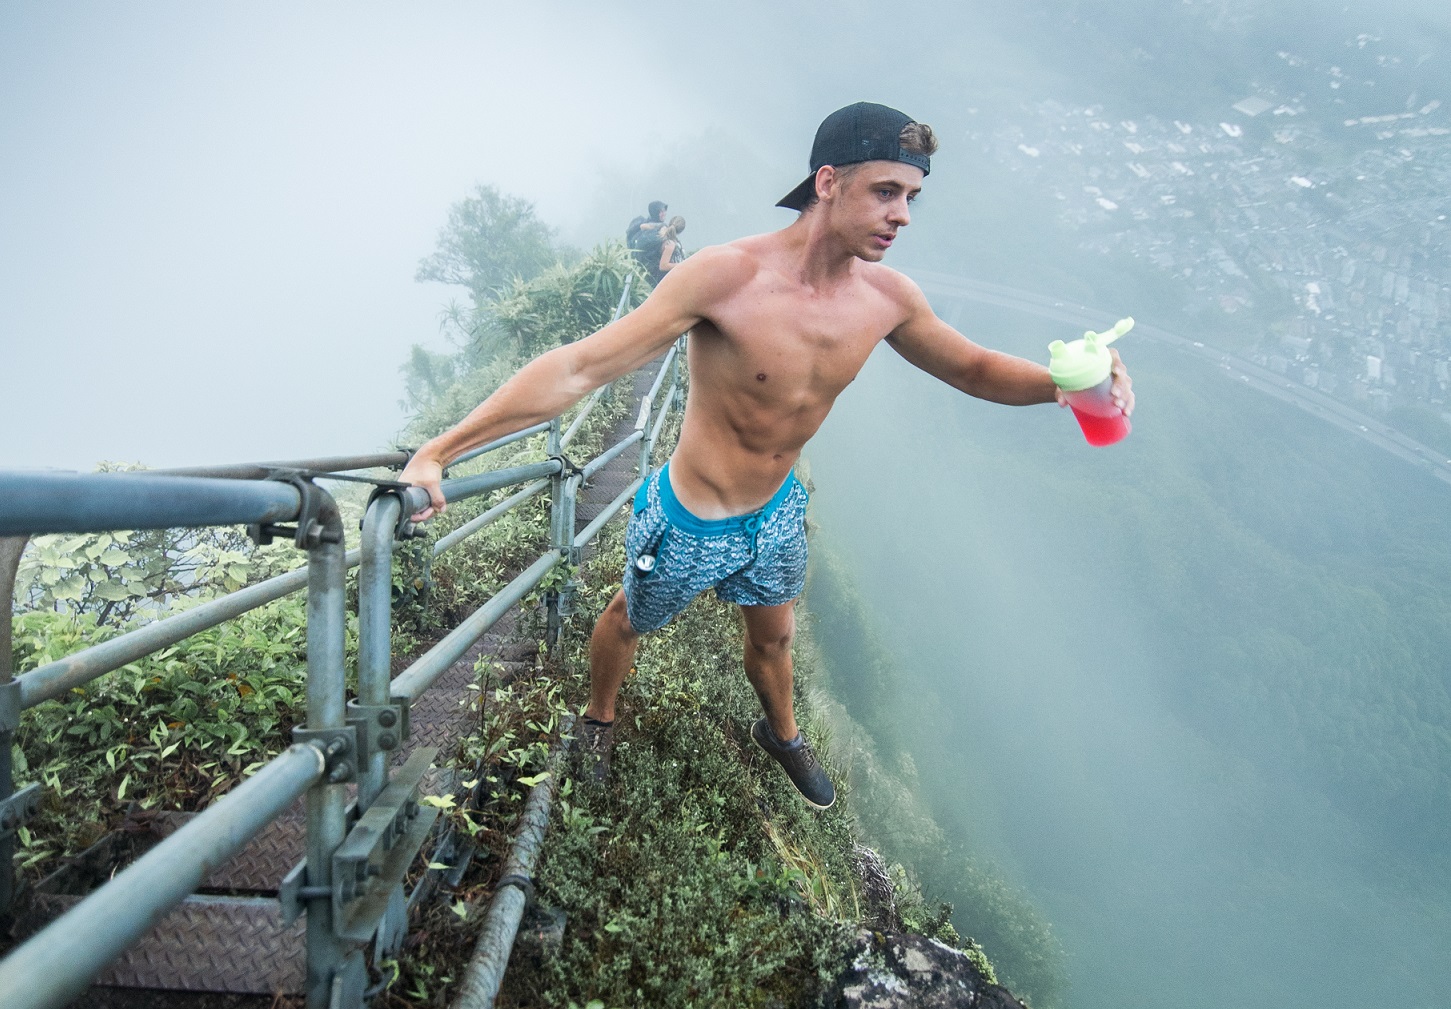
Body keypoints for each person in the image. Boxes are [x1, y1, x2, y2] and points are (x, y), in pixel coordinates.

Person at [399, 102, 1134, 810]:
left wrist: (1067, 385)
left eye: (910, 197)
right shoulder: (726, 278)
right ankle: (597, 716)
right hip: (691, 515)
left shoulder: (888, 298)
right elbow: (578, 369)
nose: (902, 215)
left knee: (775, 637)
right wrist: (440, 449)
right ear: (826, 182)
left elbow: (971, 368)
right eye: (885, 191)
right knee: (630, 617)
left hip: (776, 510)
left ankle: (780, 733)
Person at [626, 200, 668, 268]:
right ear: (655, 213)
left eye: (664, 211)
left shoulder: (650, 224)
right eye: (660, 212)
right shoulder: (653, 231)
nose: (664, 213)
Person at [648, 216, 686, 285]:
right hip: (669, 281)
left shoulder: (674, 241)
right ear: (682, 229)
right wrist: (682, 265)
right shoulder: (670, 243)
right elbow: (663, 266)